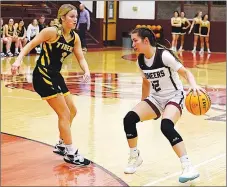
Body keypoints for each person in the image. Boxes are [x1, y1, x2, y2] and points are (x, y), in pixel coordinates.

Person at [11, 4, 91, 166]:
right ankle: (70, 151)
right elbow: (30, 44)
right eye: (71, 17)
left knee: (73, 111)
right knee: (64, 114)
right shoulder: (51, 32)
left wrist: (86, 70)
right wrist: (18, 60)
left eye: (76, 17)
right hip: (43, 75)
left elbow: (81, 57)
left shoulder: (75, 37)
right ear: (62, 17)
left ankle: (62, 143)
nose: (75, 20)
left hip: (56, 76)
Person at [123, 27, 204, 183]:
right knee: (129, 119)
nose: (133, 44)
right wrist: (143, 102)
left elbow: (186, 72)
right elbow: (146, 83)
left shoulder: (164, 56)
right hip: (156, 98)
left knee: (166, 126)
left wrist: (193, 85)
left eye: (135, 40)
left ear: (146, 41)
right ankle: (135, 157)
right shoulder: (140, 60)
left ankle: (188, 166)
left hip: (174, 96)